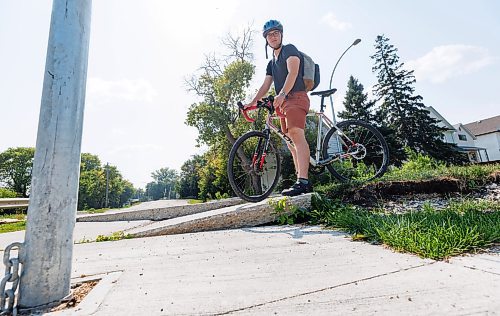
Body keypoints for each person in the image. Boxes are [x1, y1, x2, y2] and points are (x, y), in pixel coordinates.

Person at [245, 19, 312, 197]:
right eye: (269, 35)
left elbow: (293, 72)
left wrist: (281, 93)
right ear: (266, 39)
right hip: (282, 103)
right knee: (290, 143)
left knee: (296, 134)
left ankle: (303, 182)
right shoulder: (271, 63)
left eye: (276, 33)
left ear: (281, 34)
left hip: (296, 96)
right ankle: (301, 180)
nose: (273, 37)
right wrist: (251, 104)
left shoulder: (289, 49)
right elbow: (265, 86)